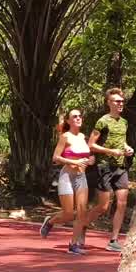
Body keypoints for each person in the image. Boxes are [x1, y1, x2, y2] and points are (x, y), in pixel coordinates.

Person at [83, 87, 134, 252]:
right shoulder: (102, 121)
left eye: (122, 101)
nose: (120, 104)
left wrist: (128, 149)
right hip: (104, 166)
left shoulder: (124, 122)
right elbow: (91, 144)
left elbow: (122, 142)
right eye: (117, 101)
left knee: (122, 203)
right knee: (103, 206)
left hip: (120, 167)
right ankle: (81, 225)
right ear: (109, 103)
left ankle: (114, 240)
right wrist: (110, 152)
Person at [40, 109, 95, 255]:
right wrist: (74, 162)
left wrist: (90, 160)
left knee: (82, 212)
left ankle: (73, 245)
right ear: (69, 121)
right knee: (69, 214)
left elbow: (89, 157)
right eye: (74, 116)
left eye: (79, 116)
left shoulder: (84, 137)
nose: (78, 118)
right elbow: (55, 157)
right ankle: (50, 222)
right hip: (67, 177)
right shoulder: (65, 137)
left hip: (81, 177)